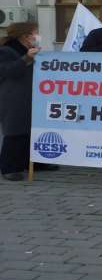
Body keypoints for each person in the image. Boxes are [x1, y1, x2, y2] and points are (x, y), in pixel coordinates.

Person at [0, 23, 57, 181]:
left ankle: (34, 163)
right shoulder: (6, 50)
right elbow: (8, 71)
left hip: (31, 95)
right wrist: (27, 58)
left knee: (32, 130)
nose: (36, 36)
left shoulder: (28, 50)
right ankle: (9, 168)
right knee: (15, 132)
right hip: (14, 98)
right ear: (24, 36)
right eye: (34, 33)